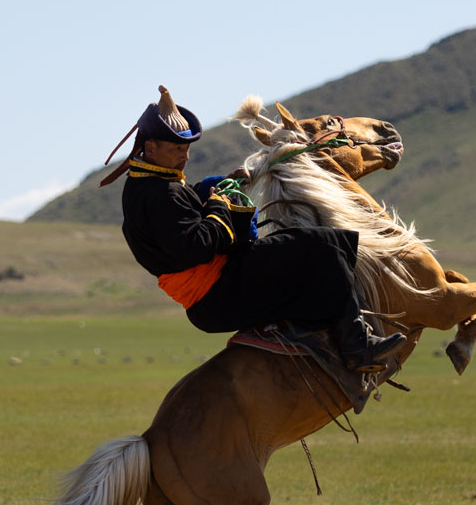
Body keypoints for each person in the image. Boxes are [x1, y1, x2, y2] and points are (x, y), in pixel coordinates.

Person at [101, 86, 405, 373]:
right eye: (177, 148)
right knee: (323, 245)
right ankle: (357, 347)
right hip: (219, 292)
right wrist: (220, 205)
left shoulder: (150, 184)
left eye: (187, 147)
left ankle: (328, 328)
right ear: (150, 147)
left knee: (315, 242)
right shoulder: (159, 192)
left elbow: (184, 207)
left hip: (218, 289)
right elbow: (193, 245)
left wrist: (219, 186)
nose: (185, 155)